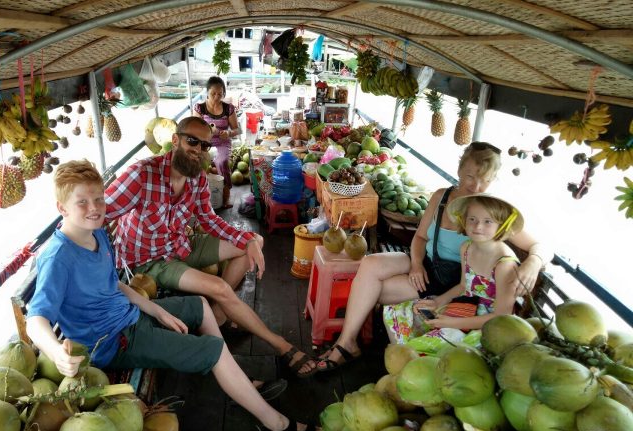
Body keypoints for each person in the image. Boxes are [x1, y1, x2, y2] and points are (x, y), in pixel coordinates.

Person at [26, 160, 314, 431]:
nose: (95, 208)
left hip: (130, 316)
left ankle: (235, 380)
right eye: (82, 202)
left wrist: (157, 310)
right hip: (113, 340)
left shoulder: (97, 234)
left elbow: (113, 284)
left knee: (200, 304)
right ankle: (276, 428)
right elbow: (36, 319)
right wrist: (56, 352)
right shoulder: (58, 257)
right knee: (212, 349)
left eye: (99, 198)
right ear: (62, 208)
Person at [105, 116, 318, 377]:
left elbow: (209, 220)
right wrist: (95, 261)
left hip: (181, 245)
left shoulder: (198, 180)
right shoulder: (142, 174)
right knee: (219, 286)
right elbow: (99, 213)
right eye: (191, 141)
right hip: (150, 262)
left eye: (204, 145)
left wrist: (249, 240)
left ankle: (219, 312)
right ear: (175, 140)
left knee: (254, 241)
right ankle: (281, 345)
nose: (197, 150)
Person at [317, 142, 552, 371]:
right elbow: (419, 238)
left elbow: (541, 246)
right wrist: (417, 264)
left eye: (486, 179)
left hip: (449, 283)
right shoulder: (441, 197)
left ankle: (353, 345)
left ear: (493, 180)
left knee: (372, 289)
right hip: (425, 264)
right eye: (471, 176)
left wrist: (534, 261)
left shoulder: (489, 212)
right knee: (370, 263)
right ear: (459, 170)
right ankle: (347, 342)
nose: (477, 185)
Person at [385, 193, 523, 351]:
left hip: (488, 328)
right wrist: (438, 302)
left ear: (502, 225)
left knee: (429, 343)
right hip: (465, 306)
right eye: (472, 219)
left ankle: (409, 363)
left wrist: (451, 323)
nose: (478, 226)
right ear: (464, 220)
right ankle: (402, 360)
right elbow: (464, 285)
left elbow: (501, 318)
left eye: (488, 222)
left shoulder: (504, 265)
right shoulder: (467, 247)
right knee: (399, 312)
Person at [192, 76, 241, 209]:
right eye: (213, 93)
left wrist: (229, 133)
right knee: (198, 164)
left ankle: (225, 196)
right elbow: (193, 128)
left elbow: (238, 129)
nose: (216, 97)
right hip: (204, 143)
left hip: (222, 142)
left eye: (220, 94)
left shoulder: (228, 108)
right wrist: (207, 131)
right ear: (207, 92)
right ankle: (200, 198)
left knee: (221, 161)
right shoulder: (199, 108)